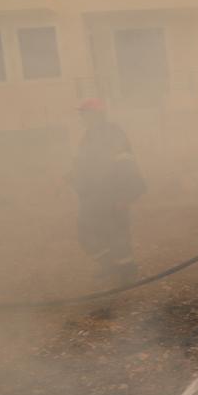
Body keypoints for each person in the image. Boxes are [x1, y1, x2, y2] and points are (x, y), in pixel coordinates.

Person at [71, 98, 145, 284]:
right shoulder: (89, 135)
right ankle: (109, 264)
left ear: (96, 115)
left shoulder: (112, 133)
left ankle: (127, 270)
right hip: (94, 194)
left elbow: (125, 163)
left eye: (85, 114)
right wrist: (65, 179)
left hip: (113, 192)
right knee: (86, 230)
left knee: (117, 232)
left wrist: (124, 195)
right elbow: (83, 164)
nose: (82, 118)